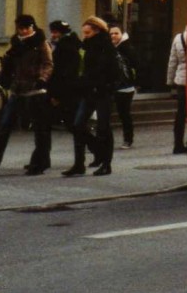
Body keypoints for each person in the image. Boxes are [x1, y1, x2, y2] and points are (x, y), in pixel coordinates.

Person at [0, 15, 53, 175]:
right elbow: (9, 64)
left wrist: (42, 78)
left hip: (35, 90)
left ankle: (40, 163)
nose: (24, 31)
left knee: (40, 129)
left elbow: (48, 64)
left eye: (27, 28)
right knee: (4, 127)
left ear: (33, 27)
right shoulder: (16, 44)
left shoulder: (40, 43)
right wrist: (5, 78)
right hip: (17, 89)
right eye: (21, 28)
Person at [64, 16, 119, 177]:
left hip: (102, 92)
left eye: (87, 33)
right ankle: (80, 163)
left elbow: (108, 71)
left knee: (103, 128)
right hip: (89, 91)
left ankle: (106, 164)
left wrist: (100, 84)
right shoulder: (86, 46)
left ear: (96, 31)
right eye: (83, 33)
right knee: (78, 125)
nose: (85, 35)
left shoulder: (105, 47)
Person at [47, 20, 82, 134]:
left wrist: (55, 91)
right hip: (72, 83)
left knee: (69, 116)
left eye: (55, 32)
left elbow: (60, 68)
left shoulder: (65, 46)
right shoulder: (73, 43)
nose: (52, 35)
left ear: (61, 33)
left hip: (65, 84)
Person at [109, 24, 138, 149]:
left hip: (126, 86)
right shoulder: (110, 48)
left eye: (116, 33)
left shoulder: (127, 48)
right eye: (111, 33)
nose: (113, 36)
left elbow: (135, 65)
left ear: (122, 34)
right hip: (113, 85)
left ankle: (128, 139)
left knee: (124, 113)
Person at [166, 29, 187, 155]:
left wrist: (170, 81)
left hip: (181, 81)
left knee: (181, 114)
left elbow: (172, 61)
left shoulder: (178, 38)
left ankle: (178, 144)